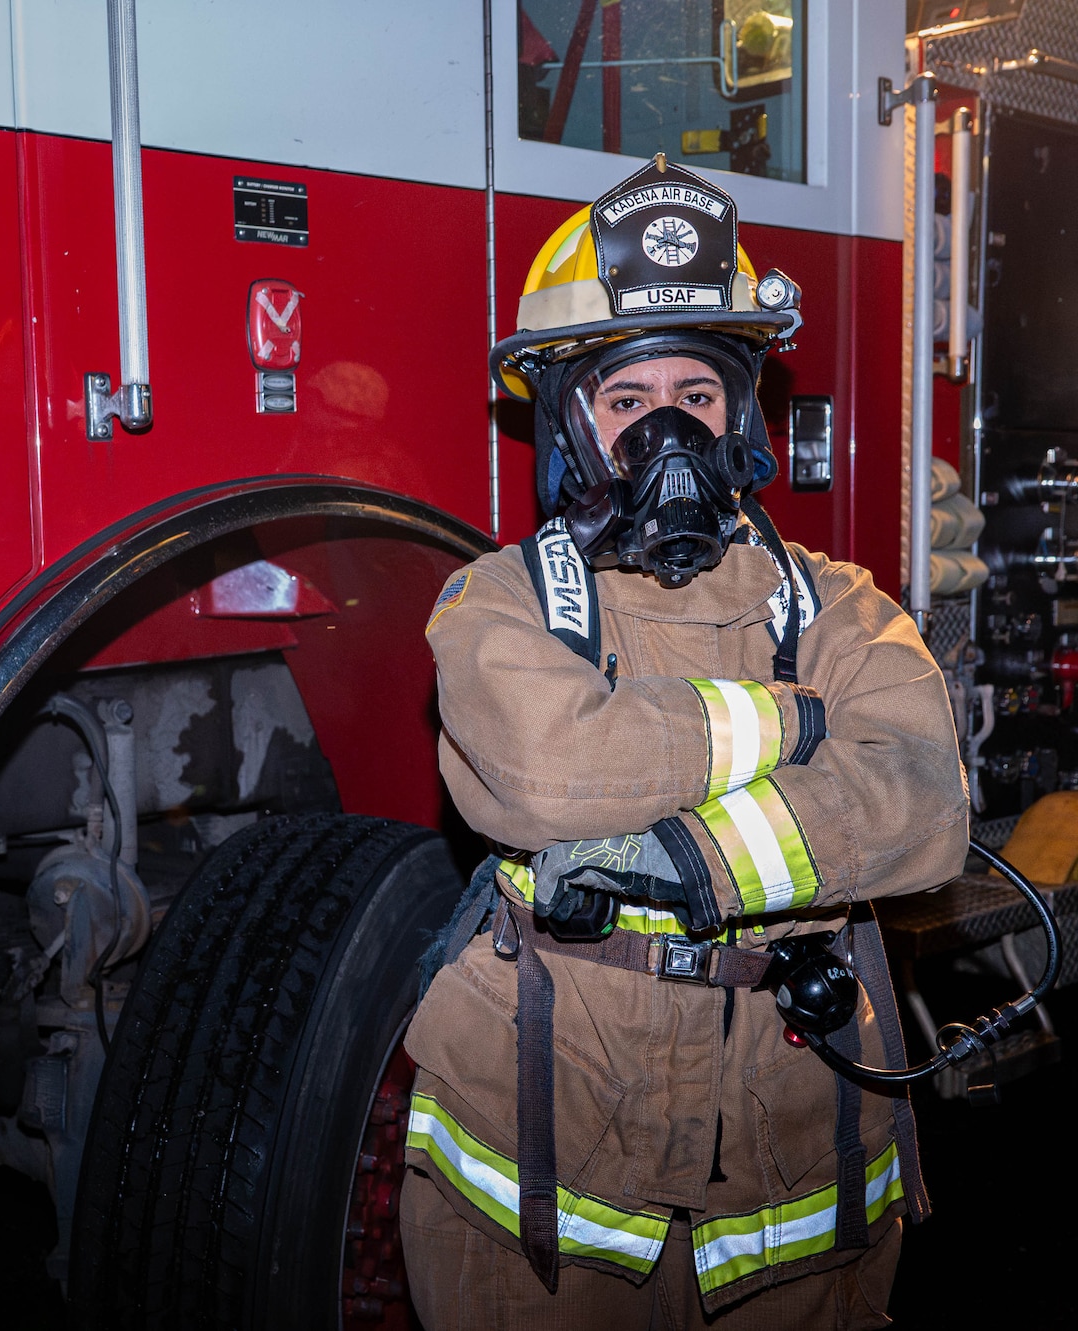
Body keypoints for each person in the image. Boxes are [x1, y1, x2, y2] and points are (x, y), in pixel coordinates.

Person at [401, 155, 969, 1328]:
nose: (665, 431)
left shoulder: (839, 603)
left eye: (695, 394)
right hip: (549, 1155)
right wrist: (800, 722)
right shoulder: (497, 601)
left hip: (791, 1128)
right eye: (625, 400)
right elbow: (544, 769)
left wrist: (682, 856)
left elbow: (922, 802)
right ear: (569, 425)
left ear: (737, 417)